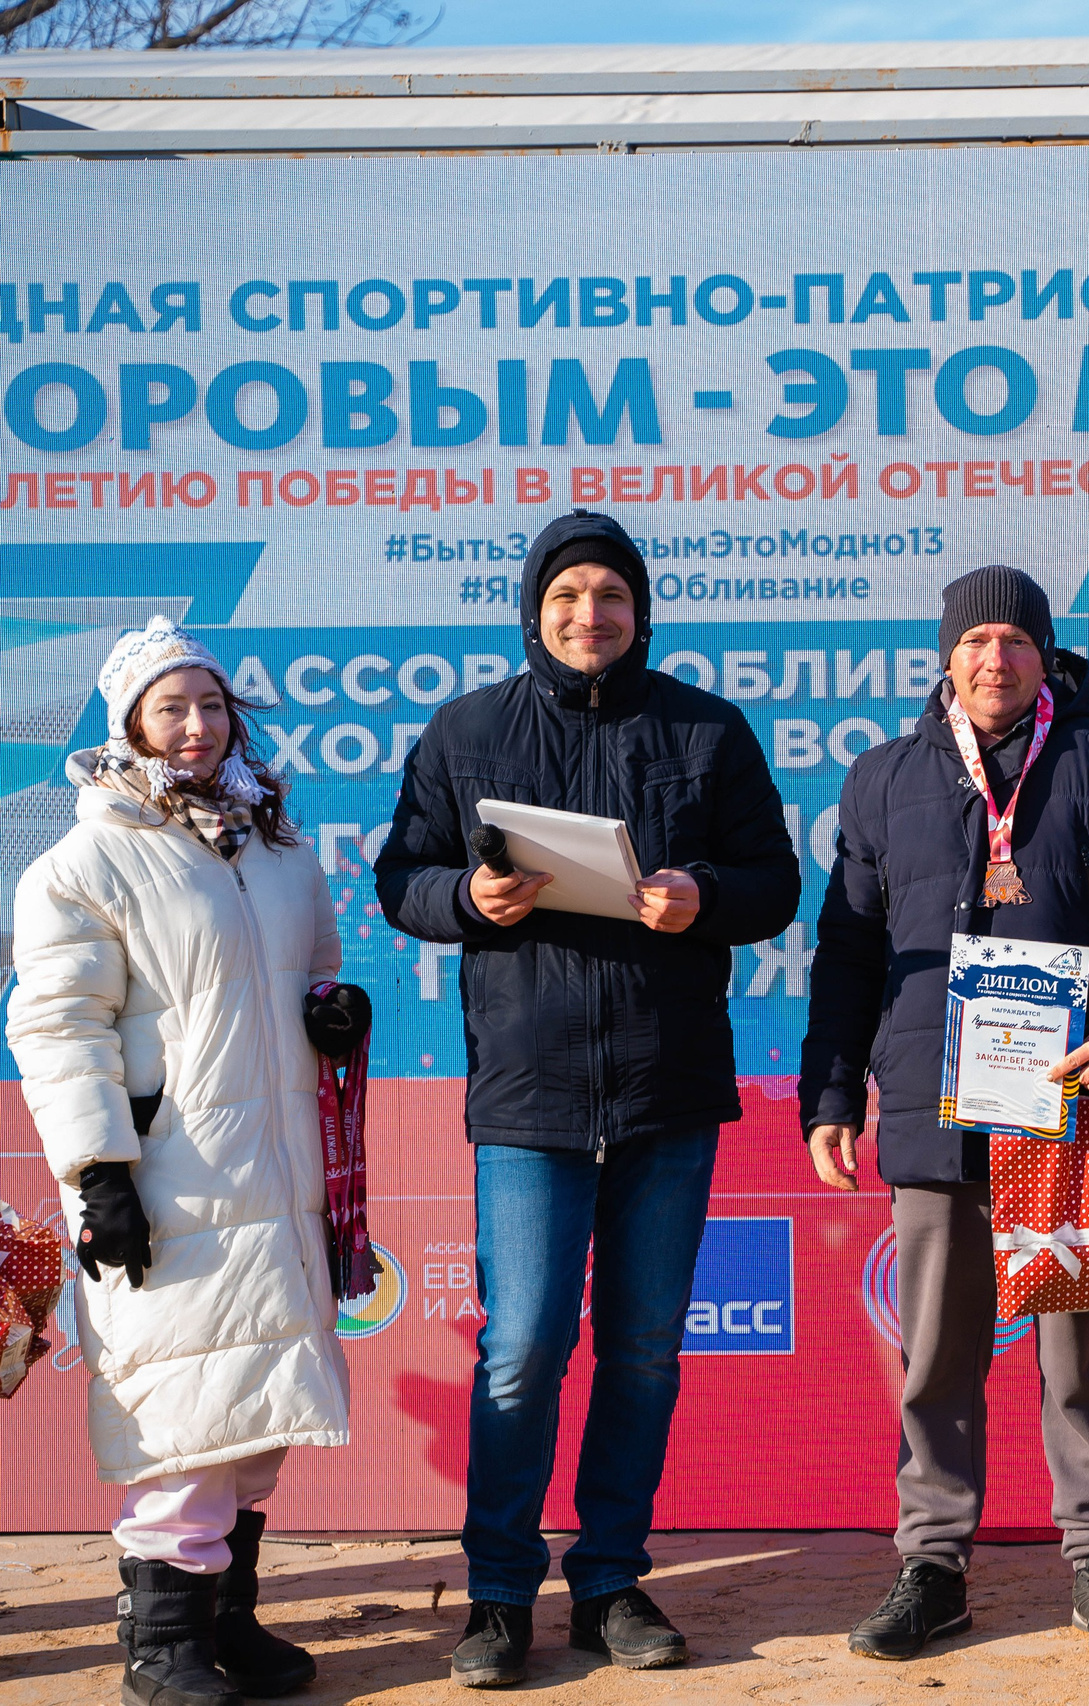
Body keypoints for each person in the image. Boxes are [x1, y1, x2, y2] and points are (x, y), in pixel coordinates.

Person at [377, 510, 800, 1686]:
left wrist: (702, 893)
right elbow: (399, 877)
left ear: (640, 611)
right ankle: (499, 1592)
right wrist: (468, 897)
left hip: (667, 1088)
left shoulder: (704, 728)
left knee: (646, 1349)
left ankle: (611, 1574)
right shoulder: (466, 730)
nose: (589, 615)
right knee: (519, 1348)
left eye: (610, 595)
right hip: (530, 1093)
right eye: (568, 596)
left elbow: (774, 878)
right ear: (534, 608)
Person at [799, 564, 1089, 1664]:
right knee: (935, 1351)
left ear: (1044, 654)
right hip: (934, 1105)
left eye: (1016, 640)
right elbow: (848, 951)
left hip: (1064, 1101)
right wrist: (833, 1090)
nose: (995, 658)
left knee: (1080, 1350)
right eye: (975, 639)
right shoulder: (883, 777)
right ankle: (932, 1561)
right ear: (945, 654)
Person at [9, 617, 354, 1706]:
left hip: (280, 1169)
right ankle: (160, 1643)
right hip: (170, 1177)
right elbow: (60, 1024)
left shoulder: (280, 848)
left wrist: (334, 1015)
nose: (197, 726)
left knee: (258, 1413)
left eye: (211, 704)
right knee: (187, 1416)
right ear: (129, 725)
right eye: (172, 707)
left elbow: (315, 974)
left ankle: (225, 1620)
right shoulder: (84, 861)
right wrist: (98, 1170)